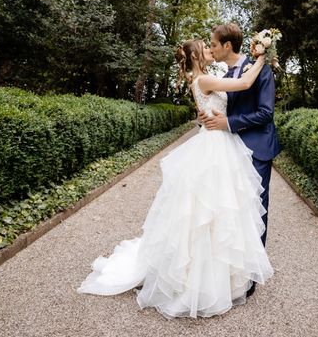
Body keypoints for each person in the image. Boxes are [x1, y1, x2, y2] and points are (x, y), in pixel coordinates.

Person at [77, 39, 273, 319]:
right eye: (206, 48)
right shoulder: (204, 79)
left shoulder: (202, 78)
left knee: (212, 210)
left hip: (219, 143)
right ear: (196, 55)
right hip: (214, 146)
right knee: (209, 209)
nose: (209, 50)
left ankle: (216, 273)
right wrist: (264, 58)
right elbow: (243, 85)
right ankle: (201, 279)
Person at [198, 23, 281, 297]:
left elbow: (266, 113)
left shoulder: (262, 69)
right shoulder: (228, 74)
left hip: (257, 148)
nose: (211, 48)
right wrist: (208, 115)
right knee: (232, 211)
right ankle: (232, 271)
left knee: (256, 209)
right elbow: (220, 105)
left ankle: (250, 278)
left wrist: (228, 122)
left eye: (213, 43)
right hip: (231, 151)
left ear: (227, 46)